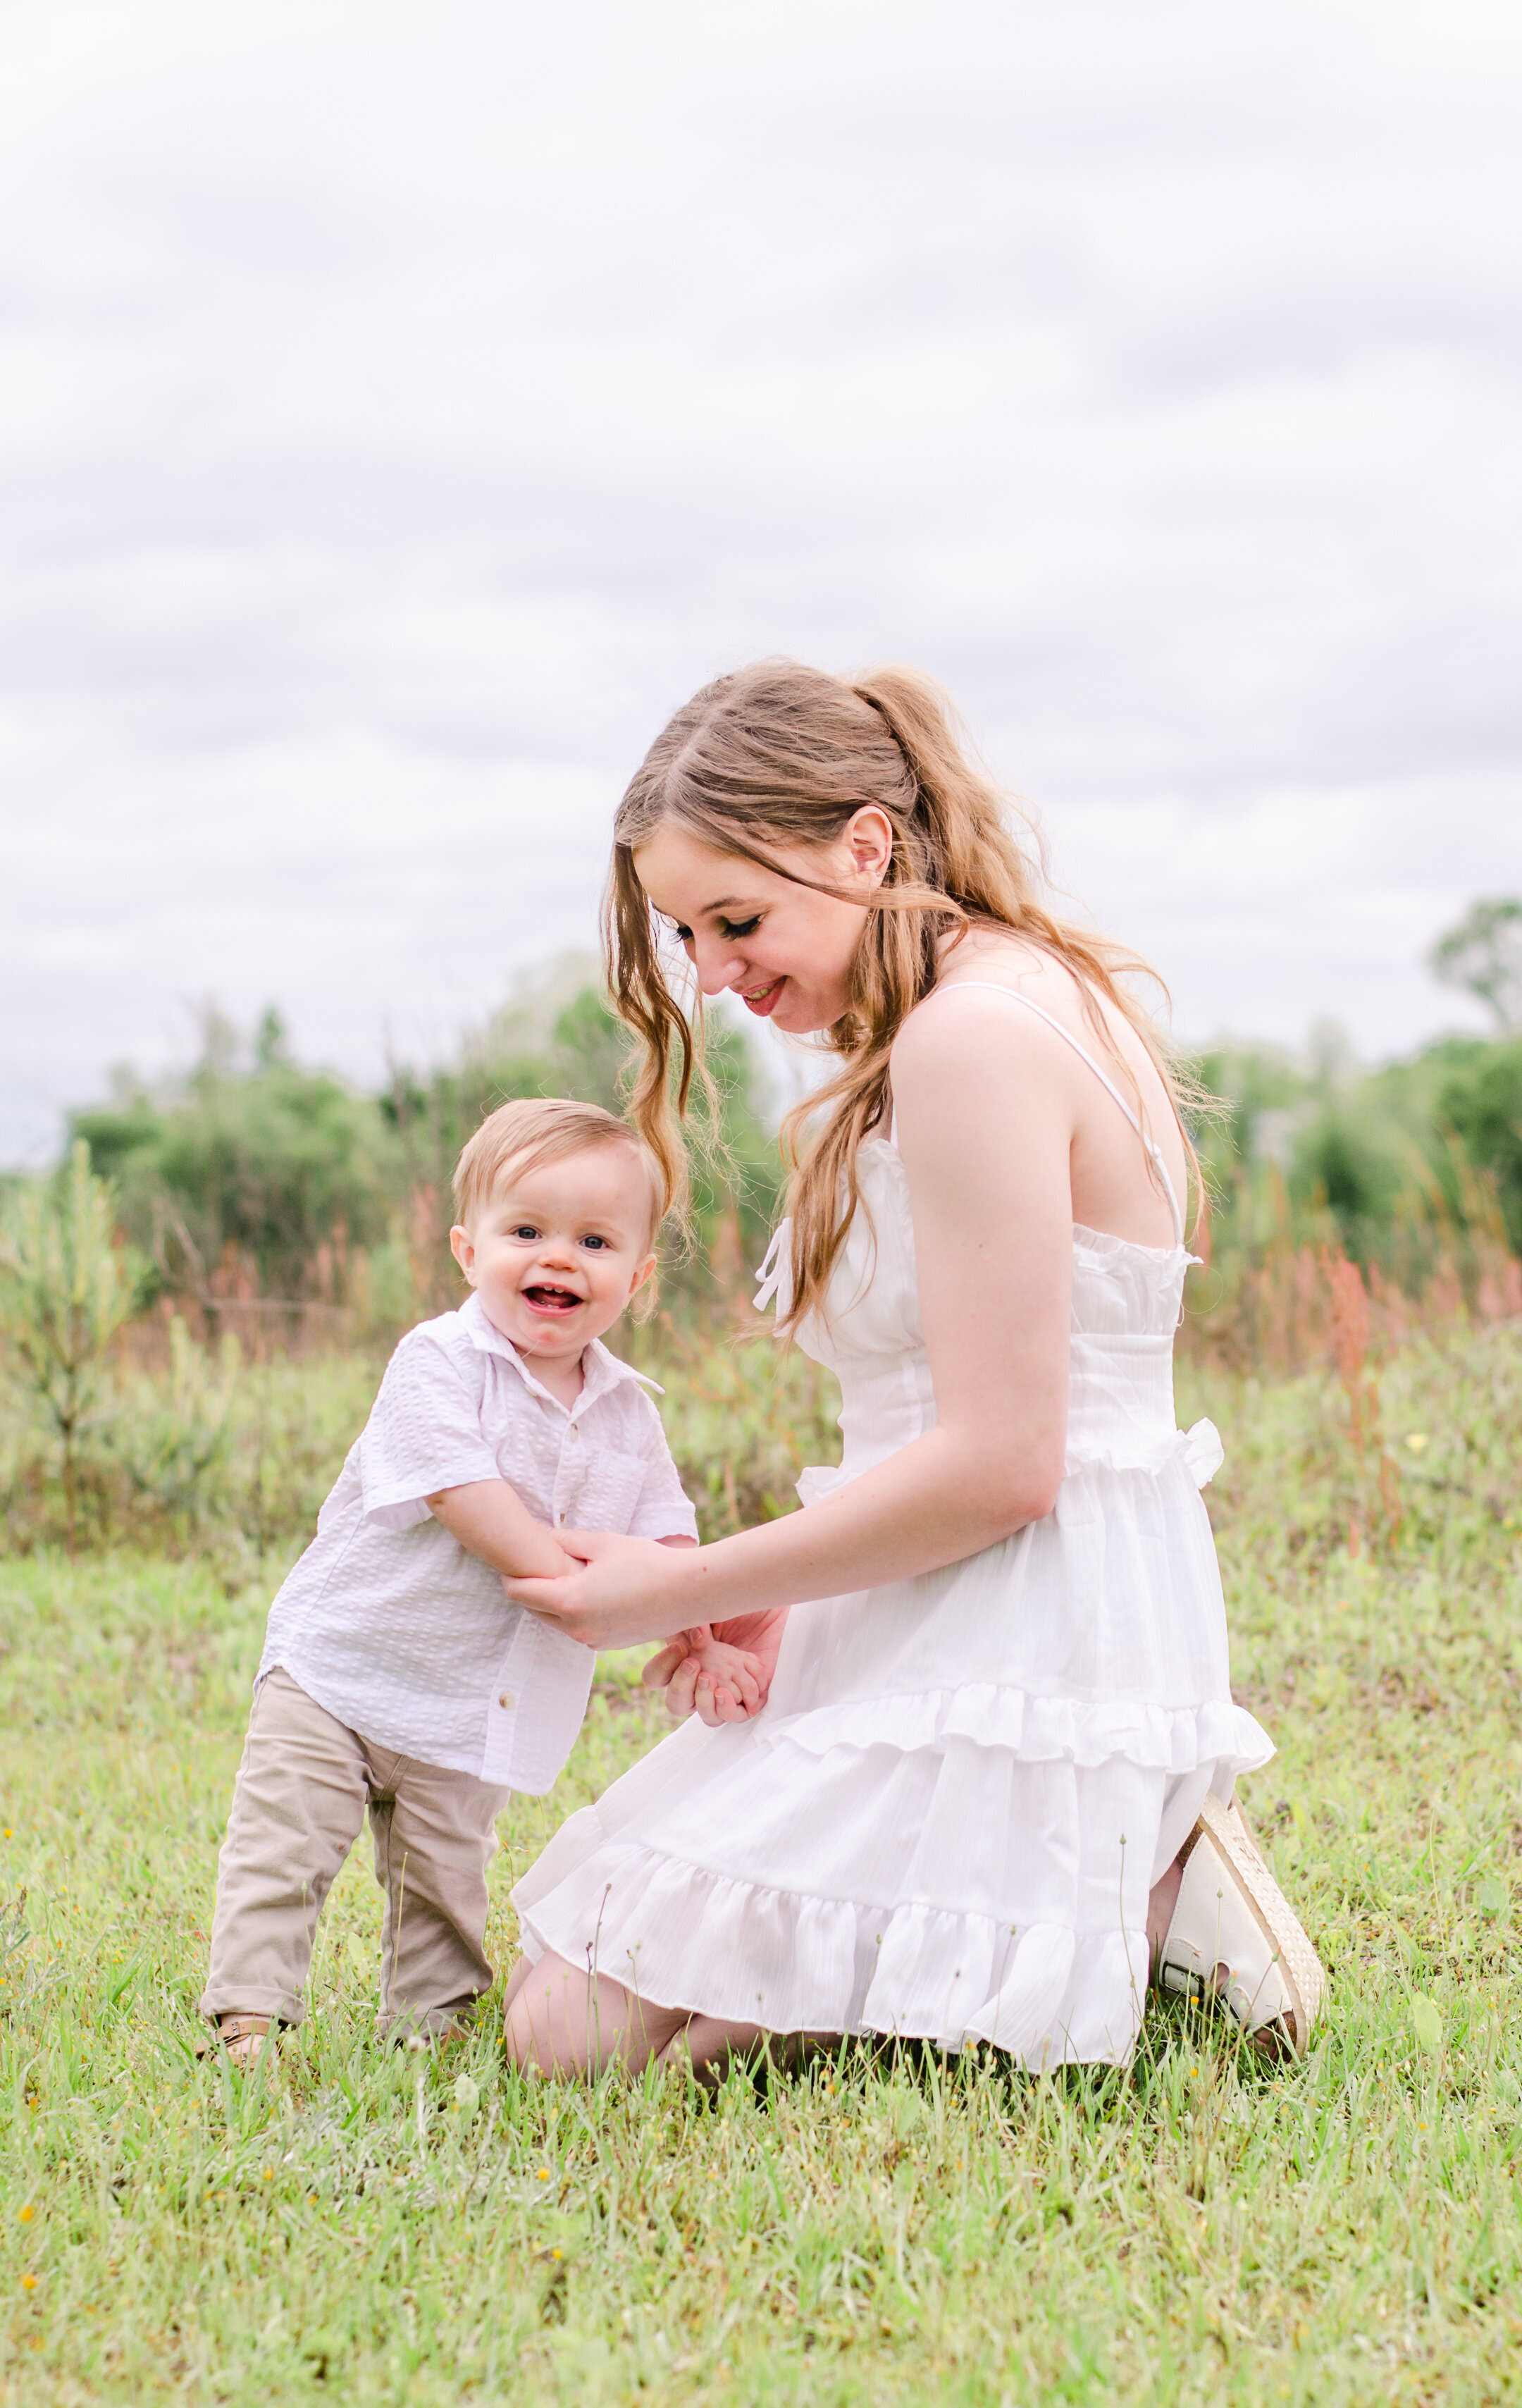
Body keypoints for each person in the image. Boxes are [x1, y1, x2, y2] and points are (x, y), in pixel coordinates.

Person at [502, 662, 1325, 2080]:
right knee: (567, 1998)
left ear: (866, 847)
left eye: (738, 918)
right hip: (932, 1602)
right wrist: (781, 1596)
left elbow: (1011, 1461)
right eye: (687, 931)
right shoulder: (974, 1009)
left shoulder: (973, 1039)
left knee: (583, 2039)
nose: (711, 973)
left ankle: (1132, 1877)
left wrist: (687, 1583)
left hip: (1031, 1627)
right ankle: (1105, 1888)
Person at [199, 1096, 762, 2064]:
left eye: (593, 1239)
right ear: (468, 1247)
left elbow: (667, 1536)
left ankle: (433, 2022)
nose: (557, 1257)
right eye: (527, 1230)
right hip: (340, 1665)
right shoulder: (438, 1361)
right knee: (283, 1847)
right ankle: (251, 2016)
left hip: (471, 1702)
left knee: (447, 1872)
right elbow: (466, 1496)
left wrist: (696, 1630)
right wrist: (579, 1585)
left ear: (639, 1274)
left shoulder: (630, 1412)